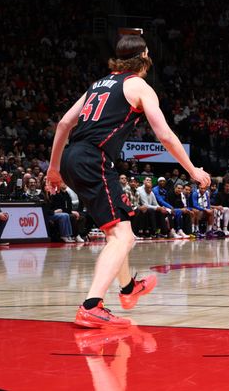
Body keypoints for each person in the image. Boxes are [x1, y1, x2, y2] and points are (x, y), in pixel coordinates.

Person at [46, 34, 210, 328]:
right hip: (93, 159)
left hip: (72, 157)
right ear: (145, 57)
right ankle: (92, 304)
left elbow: (63, 124)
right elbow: (164, 135)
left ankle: (127, 288)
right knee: (125, 237)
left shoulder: (98, 85)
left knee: (117, 231)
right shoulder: (138, 85)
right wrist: (192, 170)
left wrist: (53, 169)